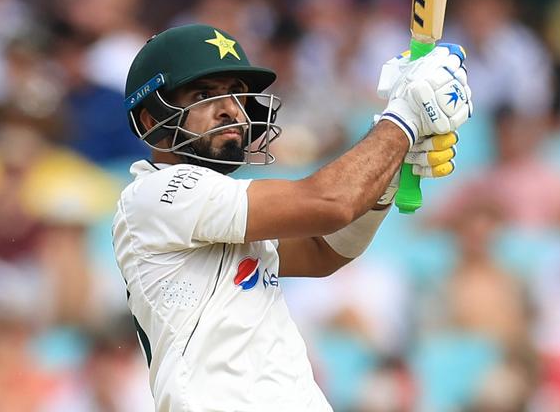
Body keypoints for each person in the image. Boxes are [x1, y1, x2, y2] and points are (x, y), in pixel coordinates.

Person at [113, 24, 473, 411]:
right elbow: (330, 202)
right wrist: (402, 119)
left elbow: (323, 251)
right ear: (151, 121)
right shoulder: (158, 195)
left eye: (235, 93)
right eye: (204, 95)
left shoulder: (218, 209)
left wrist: (384, 177)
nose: (230, 109)